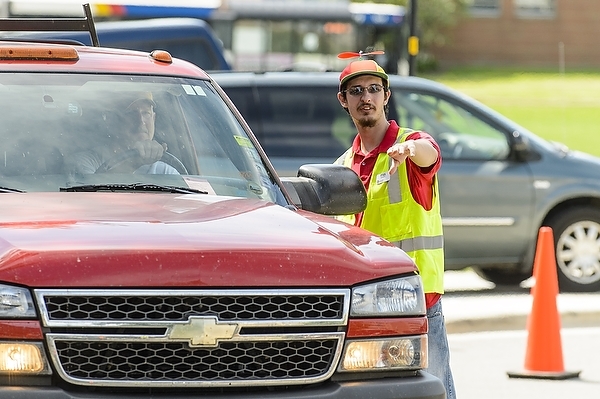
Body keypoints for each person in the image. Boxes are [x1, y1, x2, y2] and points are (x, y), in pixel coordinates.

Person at [334, 52, 456, 399]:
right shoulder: (343, 166)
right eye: (356, 91)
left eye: (374, 89)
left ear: (386, 96)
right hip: (367, 307)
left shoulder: (411, 144)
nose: (366, 98)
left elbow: (430, 153)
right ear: (344, 101)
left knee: (433, 391)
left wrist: (411, 149)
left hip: (417, 302)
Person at [65, 91, 179, 175]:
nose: (141, 121)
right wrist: (133, 162)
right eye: (130, 113)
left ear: (154, 119)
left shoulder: (166, 172)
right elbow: (91, 197)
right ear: (111, 120)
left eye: (146, 113)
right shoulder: (84, 162)